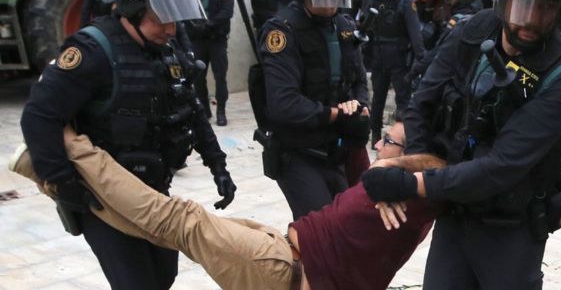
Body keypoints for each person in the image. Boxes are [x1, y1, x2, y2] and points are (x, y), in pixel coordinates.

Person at [361, 0, 561, 289]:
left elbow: (502, 166)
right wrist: (413, 161)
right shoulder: (478, 28)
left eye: (545, 6)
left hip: (509, 229)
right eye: (522, 2)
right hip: (455, 211)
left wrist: (411, 183)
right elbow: (424, 99)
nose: (530, 18)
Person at [20, 0, 237, 290]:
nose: (170, 28)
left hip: (154, 191)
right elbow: (39, 115)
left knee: (164, 277)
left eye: (173, 20)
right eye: (160, 19)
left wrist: (218, 166)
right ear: (133, 11)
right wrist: (64, 184)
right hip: (105, 196)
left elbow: (192, 109)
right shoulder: (93, 50)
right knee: (136, 283)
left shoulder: (167, 47)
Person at [9, 121, 443, 290]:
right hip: (279, 248)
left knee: (175, 218)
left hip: (280, 271)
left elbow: (438, 167)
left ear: (409, 157)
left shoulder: (412, 193)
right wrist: (351, 137)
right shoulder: (387, 191)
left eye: (388, 140)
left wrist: (400, 169)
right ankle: (46, 177)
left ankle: (72, 145)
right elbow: (354, 190)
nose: (379, 143)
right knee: (158, 228)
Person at [257, 0, 370, 220]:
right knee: (321, 230)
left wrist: (361, 105)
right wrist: (334, 114)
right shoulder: (282, 31)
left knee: (350, 224)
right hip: (299, 153)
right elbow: (284, 104)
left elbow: (358, 79)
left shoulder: (345, 26)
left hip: (339, 149)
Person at [367, 0, 426, 148]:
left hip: (378, 54)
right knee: (402, 100)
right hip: (399, 57)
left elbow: (365, 24)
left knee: (378, 98)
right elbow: (415, 34)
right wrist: (420, 59)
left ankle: (375, 136)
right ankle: (401, 140)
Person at [187, 0, 234, 126]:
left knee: (220, 76)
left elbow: (227, 12)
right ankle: (204, 110)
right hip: (197, 38)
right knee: (198, 76)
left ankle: (221, 111)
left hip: (216, 38)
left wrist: (209, 24)